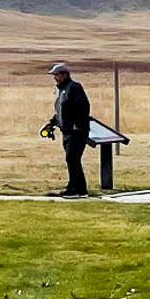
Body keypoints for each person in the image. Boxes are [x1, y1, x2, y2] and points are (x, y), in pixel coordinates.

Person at [43, 62, 90, 198]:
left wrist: (78, 125)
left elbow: (84, 108)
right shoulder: (60, 90)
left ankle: (74, 189)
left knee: (72, 159)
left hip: (76, 131)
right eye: (54, 75)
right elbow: (60, 111)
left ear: (65, 75)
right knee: (73, 160)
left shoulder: (74, 88)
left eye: (57, 75)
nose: (55, 78)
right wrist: (52, 123)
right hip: (66, 131)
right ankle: (80, 189)